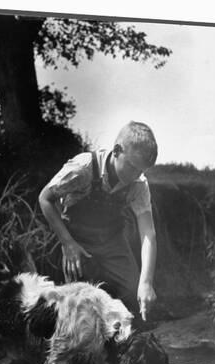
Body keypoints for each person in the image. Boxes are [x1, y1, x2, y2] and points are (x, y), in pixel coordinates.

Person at [39, 121, 158, 324]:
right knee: (80, 304)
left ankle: (122, 346)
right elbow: (45, 199)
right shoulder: (82, 168)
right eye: (131, 166)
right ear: (117, 150)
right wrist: (67, 243)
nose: (134, 176)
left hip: (113, 240)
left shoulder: (138, 184)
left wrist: (146, 282)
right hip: (78, 240)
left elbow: (148, 233)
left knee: (132, 294)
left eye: (140, 171)